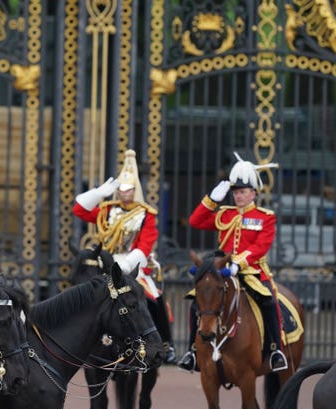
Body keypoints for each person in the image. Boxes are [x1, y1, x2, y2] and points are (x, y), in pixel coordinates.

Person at [178, 152, 287, 372]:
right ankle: (192, 351)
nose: (239, 196)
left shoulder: (265, 217)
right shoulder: (225, 214)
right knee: (196, 303)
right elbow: (195, 221)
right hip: (222, 271)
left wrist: (239, 262)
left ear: (254, 193)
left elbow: (260, 247)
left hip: (253, 271)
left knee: (268, 301)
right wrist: (212, 200)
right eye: (236, 192)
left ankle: (276, 350)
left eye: (243, 192)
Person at [73, 149, 176, 364]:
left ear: (135, 190)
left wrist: (126, 265)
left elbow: (145, 246)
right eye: (120, 189)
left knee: (154, 299)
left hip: (133, 265)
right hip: (107, 262)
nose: (123, 193)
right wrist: (99, 193)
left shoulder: (146, 214)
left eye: (128, 189)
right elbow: (79, 210)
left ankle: (166, 343)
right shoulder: (108, 210)